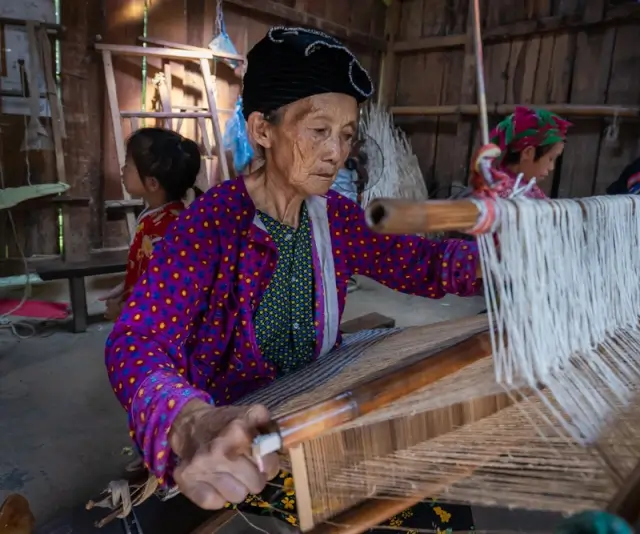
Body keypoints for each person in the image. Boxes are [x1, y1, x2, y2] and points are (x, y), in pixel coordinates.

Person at [104, 27, 482, 532]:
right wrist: (188, 420)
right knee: (420, 515)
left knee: (435, 480)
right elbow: (135, 339)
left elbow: (424, 263)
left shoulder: (334, 218)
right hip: (248, 430)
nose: (336, 152)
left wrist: (507, 259)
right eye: (319, 130)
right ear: (262, 129)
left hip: (317, 399)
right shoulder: (211, 226)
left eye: (347, 135)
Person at [100, 128, 201, 321]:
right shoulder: (153, 216)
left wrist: (123, 313)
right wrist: (125, 287)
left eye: (128, 165)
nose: (123, 170)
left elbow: (166, 300)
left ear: (153, 183)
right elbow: (145, 270)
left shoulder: (168, 232)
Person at [473, 106, 571, 199]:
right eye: (551, 159)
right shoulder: (498, 190)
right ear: (528, 153)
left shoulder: (530, 189)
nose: (551, 167)